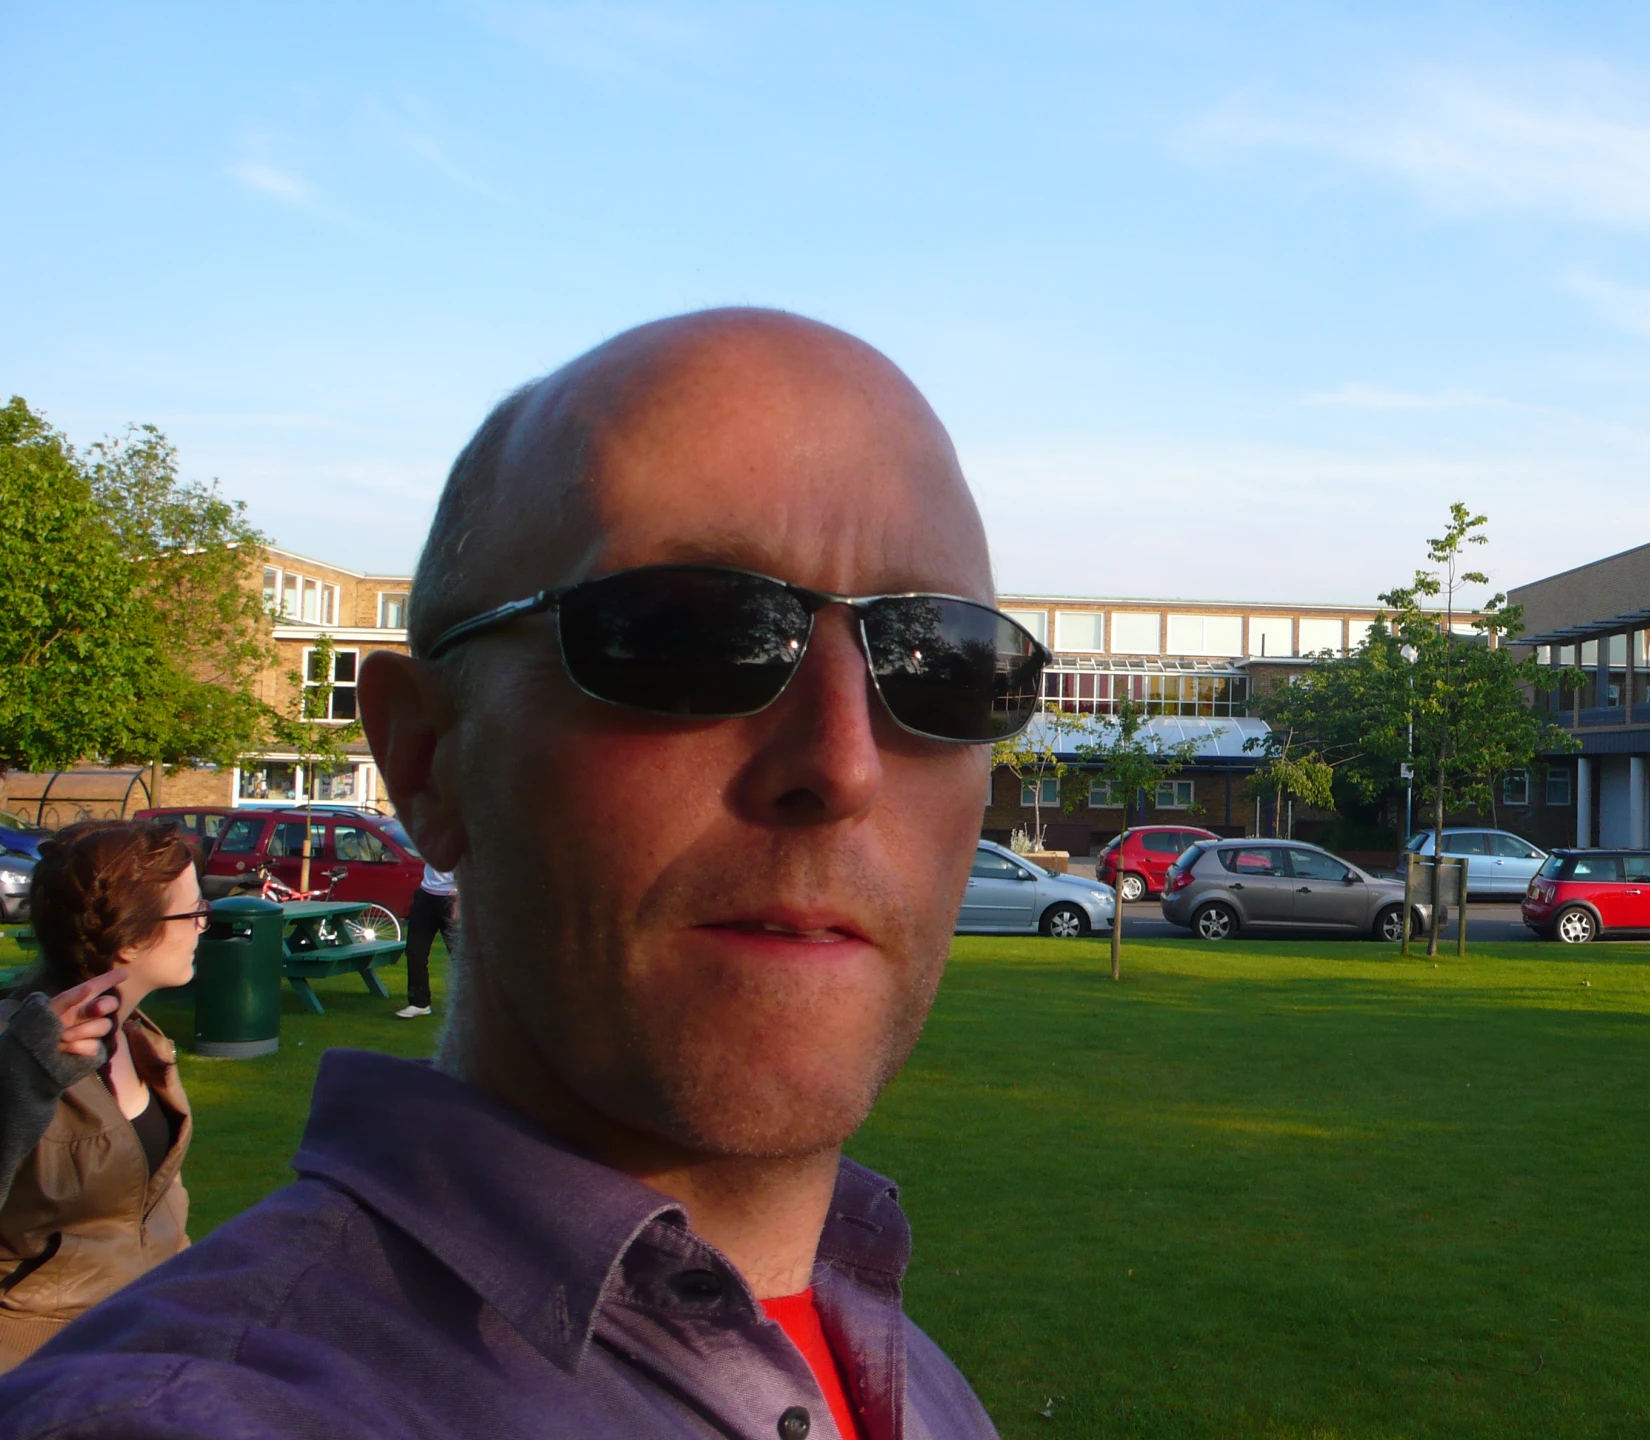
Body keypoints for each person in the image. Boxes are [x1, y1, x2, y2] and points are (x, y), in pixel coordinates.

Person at [0, 310, 1045, 1438]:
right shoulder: (187, 1417)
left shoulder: (913, 1384)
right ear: (425, 758)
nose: (841, 764)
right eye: (685, 636)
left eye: (941, 663)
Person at [0, 821, 204, 1369]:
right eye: (192, 912)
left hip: (147, 1346)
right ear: (132, 938)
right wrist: (22, 1080)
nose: (204, 924)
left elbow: (158, 1209)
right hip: (37, 1372)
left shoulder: (141, 1040)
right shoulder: (16, 1048)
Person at [394, 861, 455, 1019]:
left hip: (452, 898)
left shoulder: (460, 838)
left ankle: (470, 1003)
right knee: (415, 952)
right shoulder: (433, 840)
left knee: (461, 956)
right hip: (426, 896)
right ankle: (419, 1003)